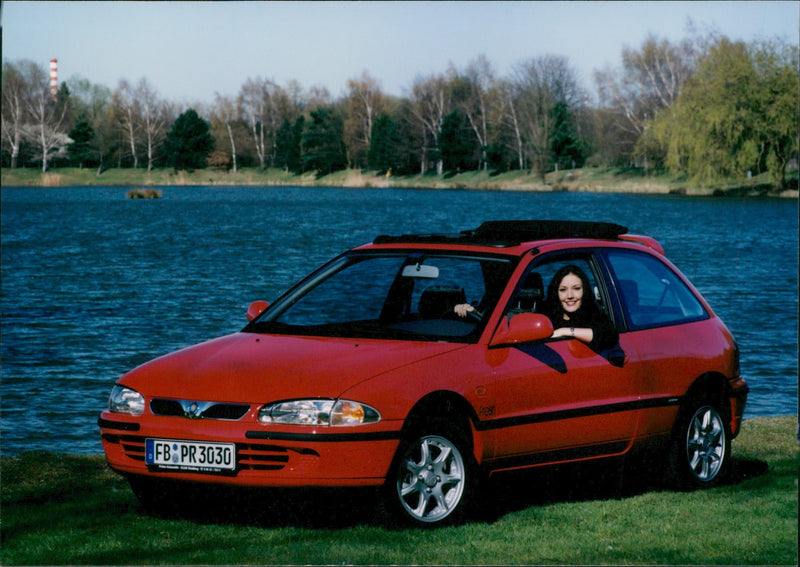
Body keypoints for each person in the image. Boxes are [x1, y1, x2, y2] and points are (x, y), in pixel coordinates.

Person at [542, 265, 618, 350]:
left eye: (576, 288)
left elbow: (611, 336)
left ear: (584, 291)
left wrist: (564, 331)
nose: (570, 296)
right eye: (563, 290)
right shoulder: (546, 319)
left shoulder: (593, 316)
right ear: (556, 293)